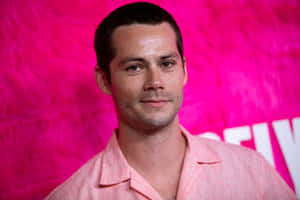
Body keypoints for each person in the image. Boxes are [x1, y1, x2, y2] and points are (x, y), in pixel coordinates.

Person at [45, 2, 298, 200]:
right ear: (104, 79)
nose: (155, 81)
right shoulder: (72, 196)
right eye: (134, 67)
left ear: (184, 71)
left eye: (167, 64)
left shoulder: (251, 171)